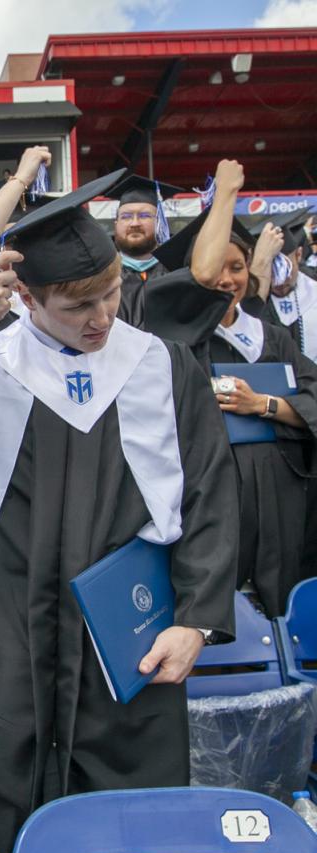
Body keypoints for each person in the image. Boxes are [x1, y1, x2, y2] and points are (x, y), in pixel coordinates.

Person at [0, 169, 237, 853]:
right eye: (77, 303)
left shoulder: (161, 366)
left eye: (111, 292)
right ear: (24, 297)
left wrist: (196, 620)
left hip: (125, 636)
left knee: (125, 820)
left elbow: (210, 492)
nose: (101, 317)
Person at [147, 167, 317, 617]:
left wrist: (264, 405)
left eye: (238, 267)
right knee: (214, 588)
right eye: (216, 269)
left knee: (282, 595)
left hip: (281, 487)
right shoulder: (181, 343)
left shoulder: (274, 337)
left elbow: (314, 398)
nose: (227, 279)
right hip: (214, 484)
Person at [106, 175, 185, 324]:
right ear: (116, 224)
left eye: (144, 216)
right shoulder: (102, 275)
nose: (135, 223)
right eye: (126, 216)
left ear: (160, 222)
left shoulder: (177, 271)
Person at [242, 209, 317, 362]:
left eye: (285, 268)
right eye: (272, 269)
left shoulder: (314, 293)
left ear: (298, 255)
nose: (280, 280)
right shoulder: (247, 303)